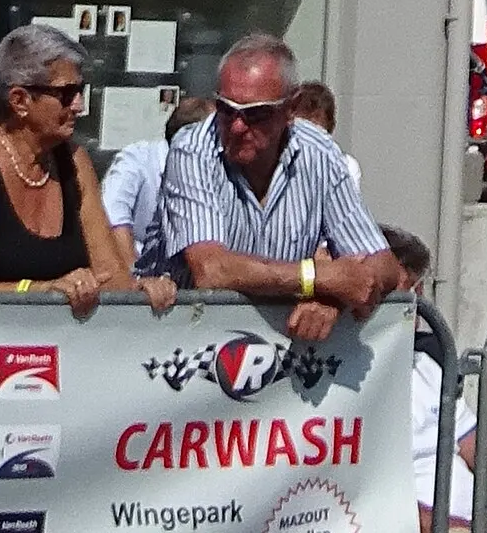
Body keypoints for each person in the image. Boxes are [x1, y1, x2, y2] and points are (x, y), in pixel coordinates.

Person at [159, 31, 403, 341]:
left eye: (255, 114)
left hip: (279, 358)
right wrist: (316, 277)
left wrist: (331, 299)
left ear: (291, 108)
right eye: (225, 110)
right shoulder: (192, 150)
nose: (236, 126)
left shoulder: (319, 153)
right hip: (187, 346)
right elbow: (212, 270)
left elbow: (383, 266)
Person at [0, 26, 148, 317]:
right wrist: (39, 291)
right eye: (67, 93)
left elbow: (110, 275)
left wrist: (144, 292)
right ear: (20, 100)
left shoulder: (75, 160)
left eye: (81, 90)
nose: (79, 106)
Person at [384, 226, 487, 532]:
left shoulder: (426, 366)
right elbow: (365, 489)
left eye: (419, 288)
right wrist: (439, 523)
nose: (418, 301)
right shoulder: (351, 382)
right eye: (405, 289)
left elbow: (484, 455)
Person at [103, 94, 212, 277]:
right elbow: (112, 218)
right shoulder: (137, 159)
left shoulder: (217, 169)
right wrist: (134, 283)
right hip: (138, 275)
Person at [294, 82, 365, 192]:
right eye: (303, 127)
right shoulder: (280, 167)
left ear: (330, 127)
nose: (309, 135)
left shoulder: (345, 167)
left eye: (315, 129)